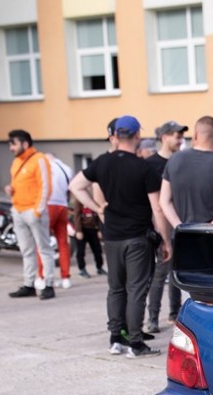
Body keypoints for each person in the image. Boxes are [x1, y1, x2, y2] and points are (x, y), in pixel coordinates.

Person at [69, 115, 171, 358]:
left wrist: (97, 208)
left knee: (115, 288)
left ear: (115, 136)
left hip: (112, 237)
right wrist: (165, 240)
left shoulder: (102, 162)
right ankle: (135, 342)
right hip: (137, 237)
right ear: (137, 136)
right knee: (136, 289)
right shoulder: (144, 167)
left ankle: (116, 338)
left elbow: (75, 186)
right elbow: (157, 208)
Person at [160, 115, 213, 292]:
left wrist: (180, 227)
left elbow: (164, 201)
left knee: (190, 292)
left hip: (185, 239)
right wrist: (205, 231)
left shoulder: (174, 160)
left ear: (195, 135)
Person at [143, 120, 187, 333]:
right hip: (160, 225)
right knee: (160, 273)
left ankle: (175, 313)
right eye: (176, 136)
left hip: (180, 222)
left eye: (181, 136)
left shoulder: (182, 161)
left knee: (178, 272)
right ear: (164, 137)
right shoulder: (151, 164)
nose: (180, 140)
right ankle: (152, 318)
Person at [5, 129, 55, 300]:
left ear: (25, 144)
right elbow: (19, 184)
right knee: (26, 250)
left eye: (13, 144)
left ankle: (48, 284)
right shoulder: (16, 162)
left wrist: (38, 211)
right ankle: (29, 284)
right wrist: (10, 190)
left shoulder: (39, 159)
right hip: (18, 210)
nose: (11, 148)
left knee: (44, 248)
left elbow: (45, 186)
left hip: (33, 212)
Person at [37, 153, 73, 289]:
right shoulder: (66, 168)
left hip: (48, 205)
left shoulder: (44, 166)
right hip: (62, 206)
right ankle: (65, 277)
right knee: (63, 243)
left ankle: (43, 276)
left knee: (42, 242)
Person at [70, 198, 105, 278]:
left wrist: (100, 229)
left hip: (93, 228)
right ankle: (82, 269)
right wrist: (78, 230)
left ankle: (99, 267)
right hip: (83, 229)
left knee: (97, 250)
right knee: (81, 251)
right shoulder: (79, 200)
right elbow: (77, 216)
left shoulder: (94, 200)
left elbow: (99, 215)